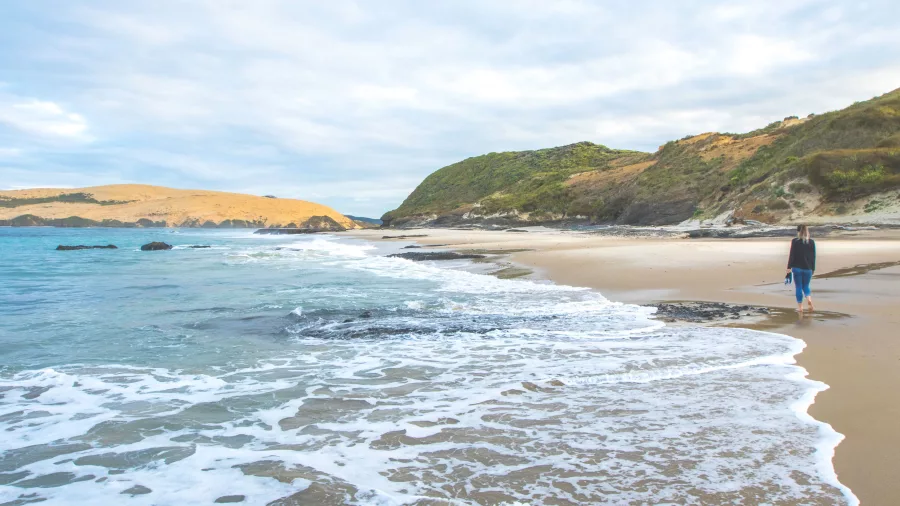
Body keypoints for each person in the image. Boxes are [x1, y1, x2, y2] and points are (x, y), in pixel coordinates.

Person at [786, 225, 816, 313]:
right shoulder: (811, 242)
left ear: (798, 232)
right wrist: (813, 268)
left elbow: (792, 255)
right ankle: (809, 299)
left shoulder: (795, 241)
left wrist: (788, 267)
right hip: (808, 268)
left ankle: (800, 307)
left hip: (797, 268)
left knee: (798, 287)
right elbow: (813, 257)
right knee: (806, 286)